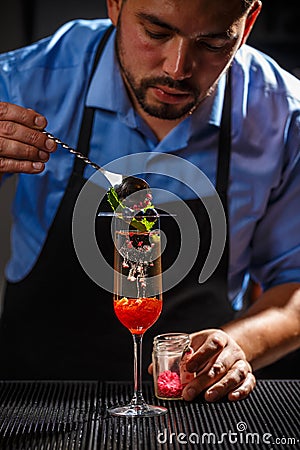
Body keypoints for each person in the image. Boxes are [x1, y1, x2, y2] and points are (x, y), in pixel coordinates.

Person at [0, 0, 299, 404]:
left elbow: (293, 286)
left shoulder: (282, 114)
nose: (177, 69)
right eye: (156, 33)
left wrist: (237, 344)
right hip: (34, 396)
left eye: (211, 43)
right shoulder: (24, 82)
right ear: (116, 4)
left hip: (192, 403)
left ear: (247, 26)